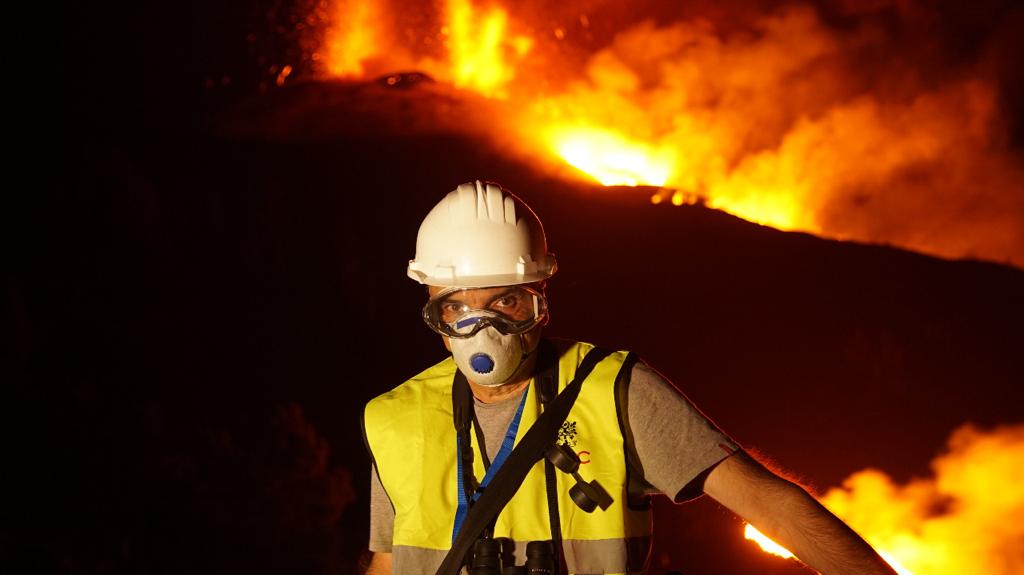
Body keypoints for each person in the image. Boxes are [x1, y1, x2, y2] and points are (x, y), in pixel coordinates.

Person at [363, 181, 896, 575]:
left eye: (506, 301)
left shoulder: (615, 391)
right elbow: (389, 563)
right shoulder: (394, 418)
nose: (484, 329)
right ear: (433, 308)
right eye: (458, 307)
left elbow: (768, 504)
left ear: (539, 303)